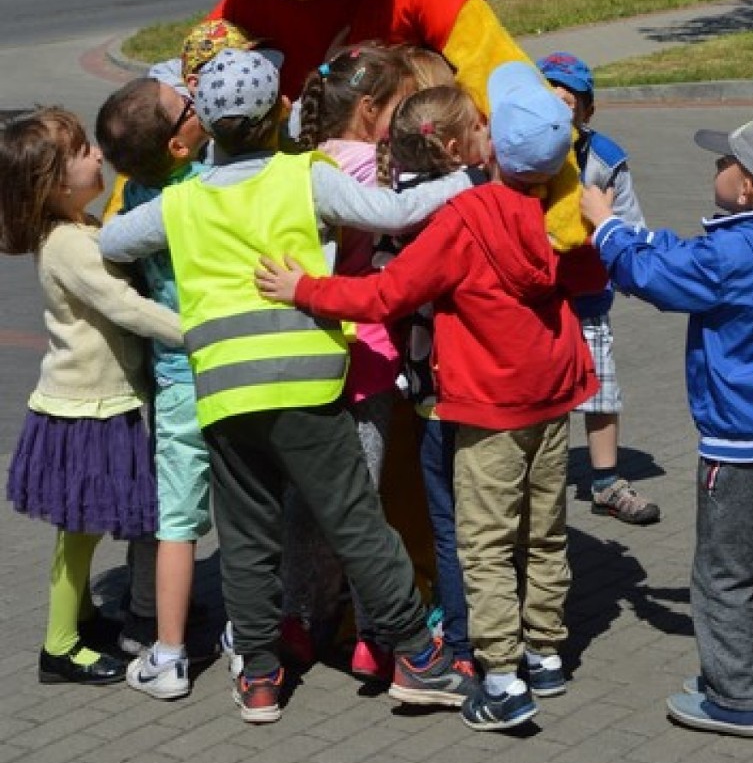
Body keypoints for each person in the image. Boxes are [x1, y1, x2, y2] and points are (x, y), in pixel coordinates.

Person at [98, 48, 481, 725]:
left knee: (245, 539)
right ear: (280, 112)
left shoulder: (182, 203)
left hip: (223, 393)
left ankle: (261, 679)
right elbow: (391, 213)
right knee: (357, 523)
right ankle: (419, 658)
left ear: (208, 127)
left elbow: (112, 244)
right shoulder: (306, 177)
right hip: (305, 384)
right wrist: (471, 179)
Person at [256, 62, 606, 732]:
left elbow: (387, 293)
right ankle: (550, 653)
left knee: (484, 542)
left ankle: (500, 676)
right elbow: (589, 275)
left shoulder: (464, 217)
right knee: (544, 531)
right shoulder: (559, 215)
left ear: (492, 148)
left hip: (487, 406)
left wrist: (306, 289)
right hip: (554, 396)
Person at [581, 110, 753, 739]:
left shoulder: (731, 254)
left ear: (746, 188)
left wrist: (605, 227)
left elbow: (654, 278)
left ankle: (732, 696)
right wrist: (648, 237)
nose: (715, 167)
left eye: (726, 162)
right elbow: (694, 257)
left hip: (738, 442)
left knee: (721, 572)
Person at [0, 108, 182, 687]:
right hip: (85, 409)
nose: (97, 156)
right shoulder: (69, 246)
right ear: (53, 181)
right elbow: (122, 305)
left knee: (81, 526)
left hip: (97, 402)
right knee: (77, 531)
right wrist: (190, 329)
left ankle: (78, 617)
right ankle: (59, 647)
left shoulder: (78, 229)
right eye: (82, 152)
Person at [281, 42, 417, 681]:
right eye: (397, 107)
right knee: (363, 504)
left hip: (306, 347)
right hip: (366, 350)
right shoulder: (368, 165)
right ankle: (376, 631)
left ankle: (302, 617)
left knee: (308, 501)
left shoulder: (300, 160)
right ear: (368, 109)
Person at [96, 76, 211, 699]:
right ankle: (255, 644)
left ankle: (167, 653)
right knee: (252, 507)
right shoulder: (205, 188)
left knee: (177, 517)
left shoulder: (135, 199)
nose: (194, 105)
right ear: (178, 146)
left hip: (172, 380)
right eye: (185, 107)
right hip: (219, 370)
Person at [373, 84, 491, 682]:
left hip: (420, 389)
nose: (487, 135)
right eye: (479, 127)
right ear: (451, 145)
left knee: (445, 519)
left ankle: (450, 631)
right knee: (468, 522)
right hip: (469, 384)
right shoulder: (472, 202)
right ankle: (470, 638)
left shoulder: (389, 204)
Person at [537, 52, 660, 526]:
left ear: (586, 112)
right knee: (540, 392)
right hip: (532, 300)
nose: (559, 109)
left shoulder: (605, 159)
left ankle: (606, 481)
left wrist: (633, 265)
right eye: (548, 99)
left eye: (569, 102)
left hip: (586, 295)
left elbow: (631, 227)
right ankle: (537, 481)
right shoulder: (512, 152)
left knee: (601, 389)